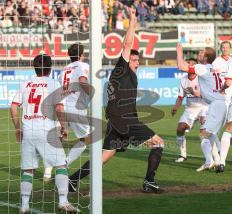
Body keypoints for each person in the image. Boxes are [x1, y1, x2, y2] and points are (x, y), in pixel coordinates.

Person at [68, 8, 165, 194]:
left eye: (138, 60)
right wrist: (132, 21)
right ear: (127, 60)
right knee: (158, 143)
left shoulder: (127, 75)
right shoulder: (122, 69)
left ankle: (72, 180)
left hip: (117, 120)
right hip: (125, 119)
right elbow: (127, 44)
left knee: (105, 155)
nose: (138, 62)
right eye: (135, 60)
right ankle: (149, 181)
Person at [10, 54, 79, 213]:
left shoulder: (25, 84)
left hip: (28, 132)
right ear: (50, 68)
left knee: (28, 170)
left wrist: (17, 127)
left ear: (35, 67)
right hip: (46, 130)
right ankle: (63, 201)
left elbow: (13, 107)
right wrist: (64, 126)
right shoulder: (54, 83)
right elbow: (59, 108)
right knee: (61, 165)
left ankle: (24, 206)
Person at [43, 43, 91, 182]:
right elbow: (82, 81)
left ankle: (47, 172)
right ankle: (64, 164)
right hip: (76, 107)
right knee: (85, 139)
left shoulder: (65, 69)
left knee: (59, 137)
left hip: (63, 105)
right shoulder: (83, 66)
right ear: (82, 55)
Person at [176, 43, 227, 172]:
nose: (199, 54)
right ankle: (217, 160)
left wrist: (179, 50)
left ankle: (213, 161)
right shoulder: (214, 69)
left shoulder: (201, 67)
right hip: (219, 104)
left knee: (204, 135)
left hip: (215, 106)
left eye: (202, 53)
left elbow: (181, 66)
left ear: (206, 57)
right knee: (210, 134)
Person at [172, 68, 208, 163]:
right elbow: (180, 96)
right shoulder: (183, 80)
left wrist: (194, 92)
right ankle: (183, 155)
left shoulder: (202, 79)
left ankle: (212, 157)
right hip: (190, 109)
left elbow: (207, 95)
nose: (191, 72)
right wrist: (176, 107)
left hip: (204, 107)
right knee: (180, 128)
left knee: (204, 132)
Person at [212, 41, 232, 173]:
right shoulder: (217, 63)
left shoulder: (230, 61)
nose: (225, 49)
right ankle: (218, 158)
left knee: (229, 128)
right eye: (223, 47)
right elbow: (225, 81)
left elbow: (228, 81)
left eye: (227, 47)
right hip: (223, 99)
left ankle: (222, 161)